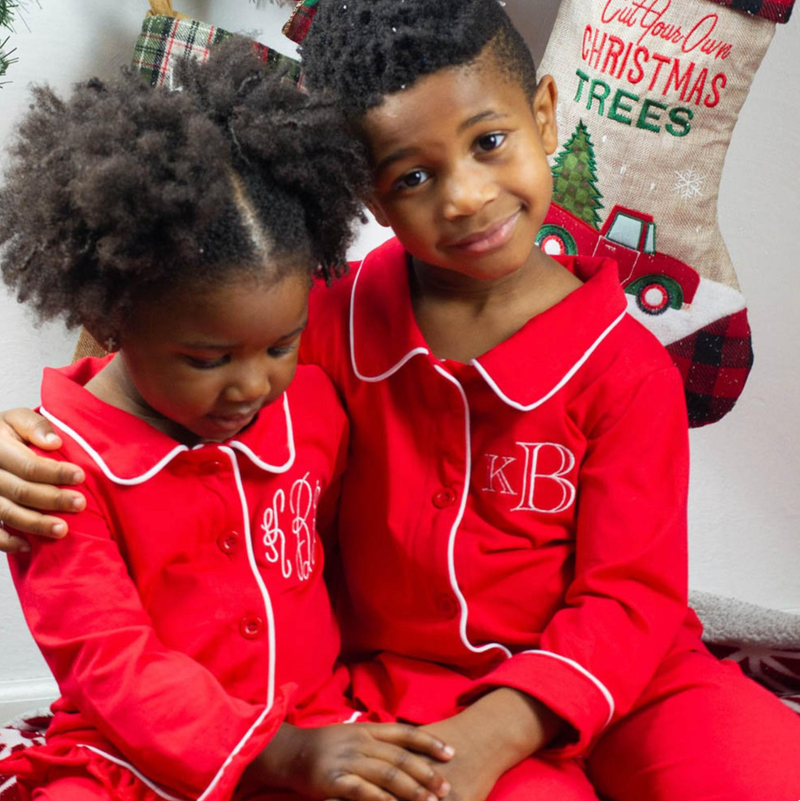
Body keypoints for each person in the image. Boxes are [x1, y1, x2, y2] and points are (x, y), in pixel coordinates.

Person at [2, 1, 800, 799]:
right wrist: (26, 440)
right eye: (412, 177)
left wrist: (505, 727)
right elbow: (167, 359)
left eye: (489, 142)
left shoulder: (627, 366)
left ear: (545, 115)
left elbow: (629, 597)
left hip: (629, 672)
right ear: (371, 199)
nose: (466, 197)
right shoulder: (314, 325)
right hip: (413, 691)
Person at [0, 41, 457, 801]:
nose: (252, 385)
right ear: (109, 321)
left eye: (280, 345)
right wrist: (284, 756)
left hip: (318, 722)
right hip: (131, 759)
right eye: (207, 359)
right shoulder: (54, 473)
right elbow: (110, 665)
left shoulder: (311, 404)